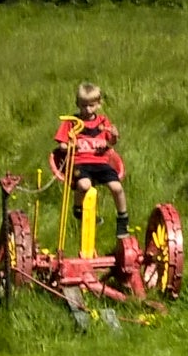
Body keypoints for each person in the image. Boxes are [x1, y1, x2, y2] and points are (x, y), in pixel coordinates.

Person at [51, 82, 130, 240]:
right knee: (84, 185)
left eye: (91, 106)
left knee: (117, 188)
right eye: (83, 106)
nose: (87, 110)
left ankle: (122, 220)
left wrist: (114, 135)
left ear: (99, 104)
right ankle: (78, 209)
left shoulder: (102, 122)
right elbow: (61, 144)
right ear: (77, 104)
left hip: (101, 162)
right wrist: (70, 145)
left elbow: (111, 142)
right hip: (81, 162)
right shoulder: (72, 122)